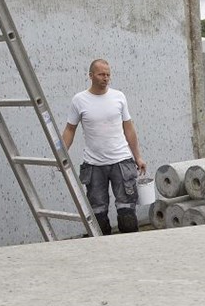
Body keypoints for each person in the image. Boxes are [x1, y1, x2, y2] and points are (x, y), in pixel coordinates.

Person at [62, 58, 147, 235]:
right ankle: (103, 253)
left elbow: (129, 128)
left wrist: (138, 156)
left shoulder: (119, 97)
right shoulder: (79, 100)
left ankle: (130, 253)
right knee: (98, 214)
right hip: (94, 166)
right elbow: (70, 129)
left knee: (127, 213)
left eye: (108, 74)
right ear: (91, 75)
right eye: (101, 74)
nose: (105, 78)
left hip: (121, 162)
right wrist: (60, 154)